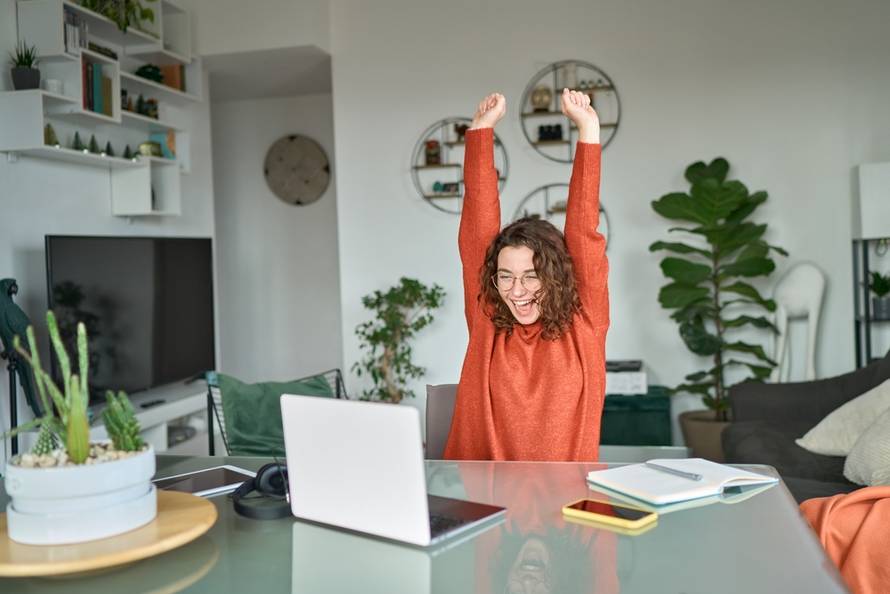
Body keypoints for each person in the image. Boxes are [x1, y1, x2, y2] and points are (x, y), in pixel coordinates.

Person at [443, 89, 608, 462]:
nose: (516, 291)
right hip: (484, 501)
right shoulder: (489, 321)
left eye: (531, 277)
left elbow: (583, 228)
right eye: (505, 276)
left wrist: (588, 130)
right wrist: (481, 132)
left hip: (567, 505)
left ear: (556, 277)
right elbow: (476, 230)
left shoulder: (585, 321)